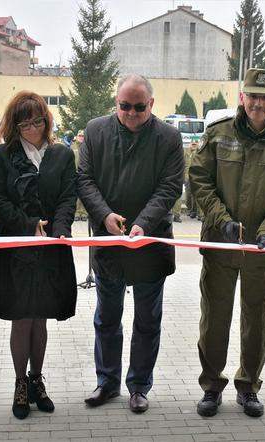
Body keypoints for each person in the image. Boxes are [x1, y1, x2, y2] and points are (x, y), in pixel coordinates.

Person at [189, 68, 265, 417]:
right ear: (242, 97)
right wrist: (221, 220)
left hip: (261, 249)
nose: (257, 103)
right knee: (215, 320)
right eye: (252, 96)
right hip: (220, 246)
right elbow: (199, 179)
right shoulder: (218, 134)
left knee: (257, 321)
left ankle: (249, 386)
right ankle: (211, 386)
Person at [77, 74, 184, 413]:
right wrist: (105, 216)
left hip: (150, 242)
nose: (132, 113)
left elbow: (170, 186)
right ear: (116, 102)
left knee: (147, 321)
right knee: (107, 317)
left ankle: (139, 386)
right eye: (125, 106)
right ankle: (107, 382)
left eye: (139, 107)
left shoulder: (168, 137)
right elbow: (84, 179)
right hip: (108, 242)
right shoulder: (96, 131)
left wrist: (143, 223)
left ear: (151, 105)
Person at [0, 91, 77, 420]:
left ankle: (38, 380)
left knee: (41, 316)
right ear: (14, 125)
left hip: (52, 246)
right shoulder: (3, 156)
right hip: (16, 246)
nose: (33, 129)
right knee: (22, 317)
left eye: (38, 121)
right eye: (25, 124)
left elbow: (69, 195)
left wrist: (60, 229)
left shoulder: (62, 155)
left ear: (46, 120)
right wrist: (27, 224)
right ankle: (20, 383)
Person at [71, 130, 88, 221]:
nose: (81, 137)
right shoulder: (72, 147)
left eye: (83, 136)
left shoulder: (87, 147)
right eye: (80, 135)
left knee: (85, 194)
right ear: (76, 136)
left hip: (84, 174)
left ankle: (84, 213)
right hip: (74, 173)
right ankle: (76, 212)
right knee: (75, 195)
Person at [184, 140, 201, 219]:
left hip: (197, 176)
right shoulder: (185, 152)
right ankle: (190, 209)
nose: (194, 145)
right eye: (192, 144)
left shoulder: (200, 152)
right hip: (187, 176)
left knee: (196, 195)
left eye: (195, 144)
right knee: (188, 195)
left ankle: (195, 212)